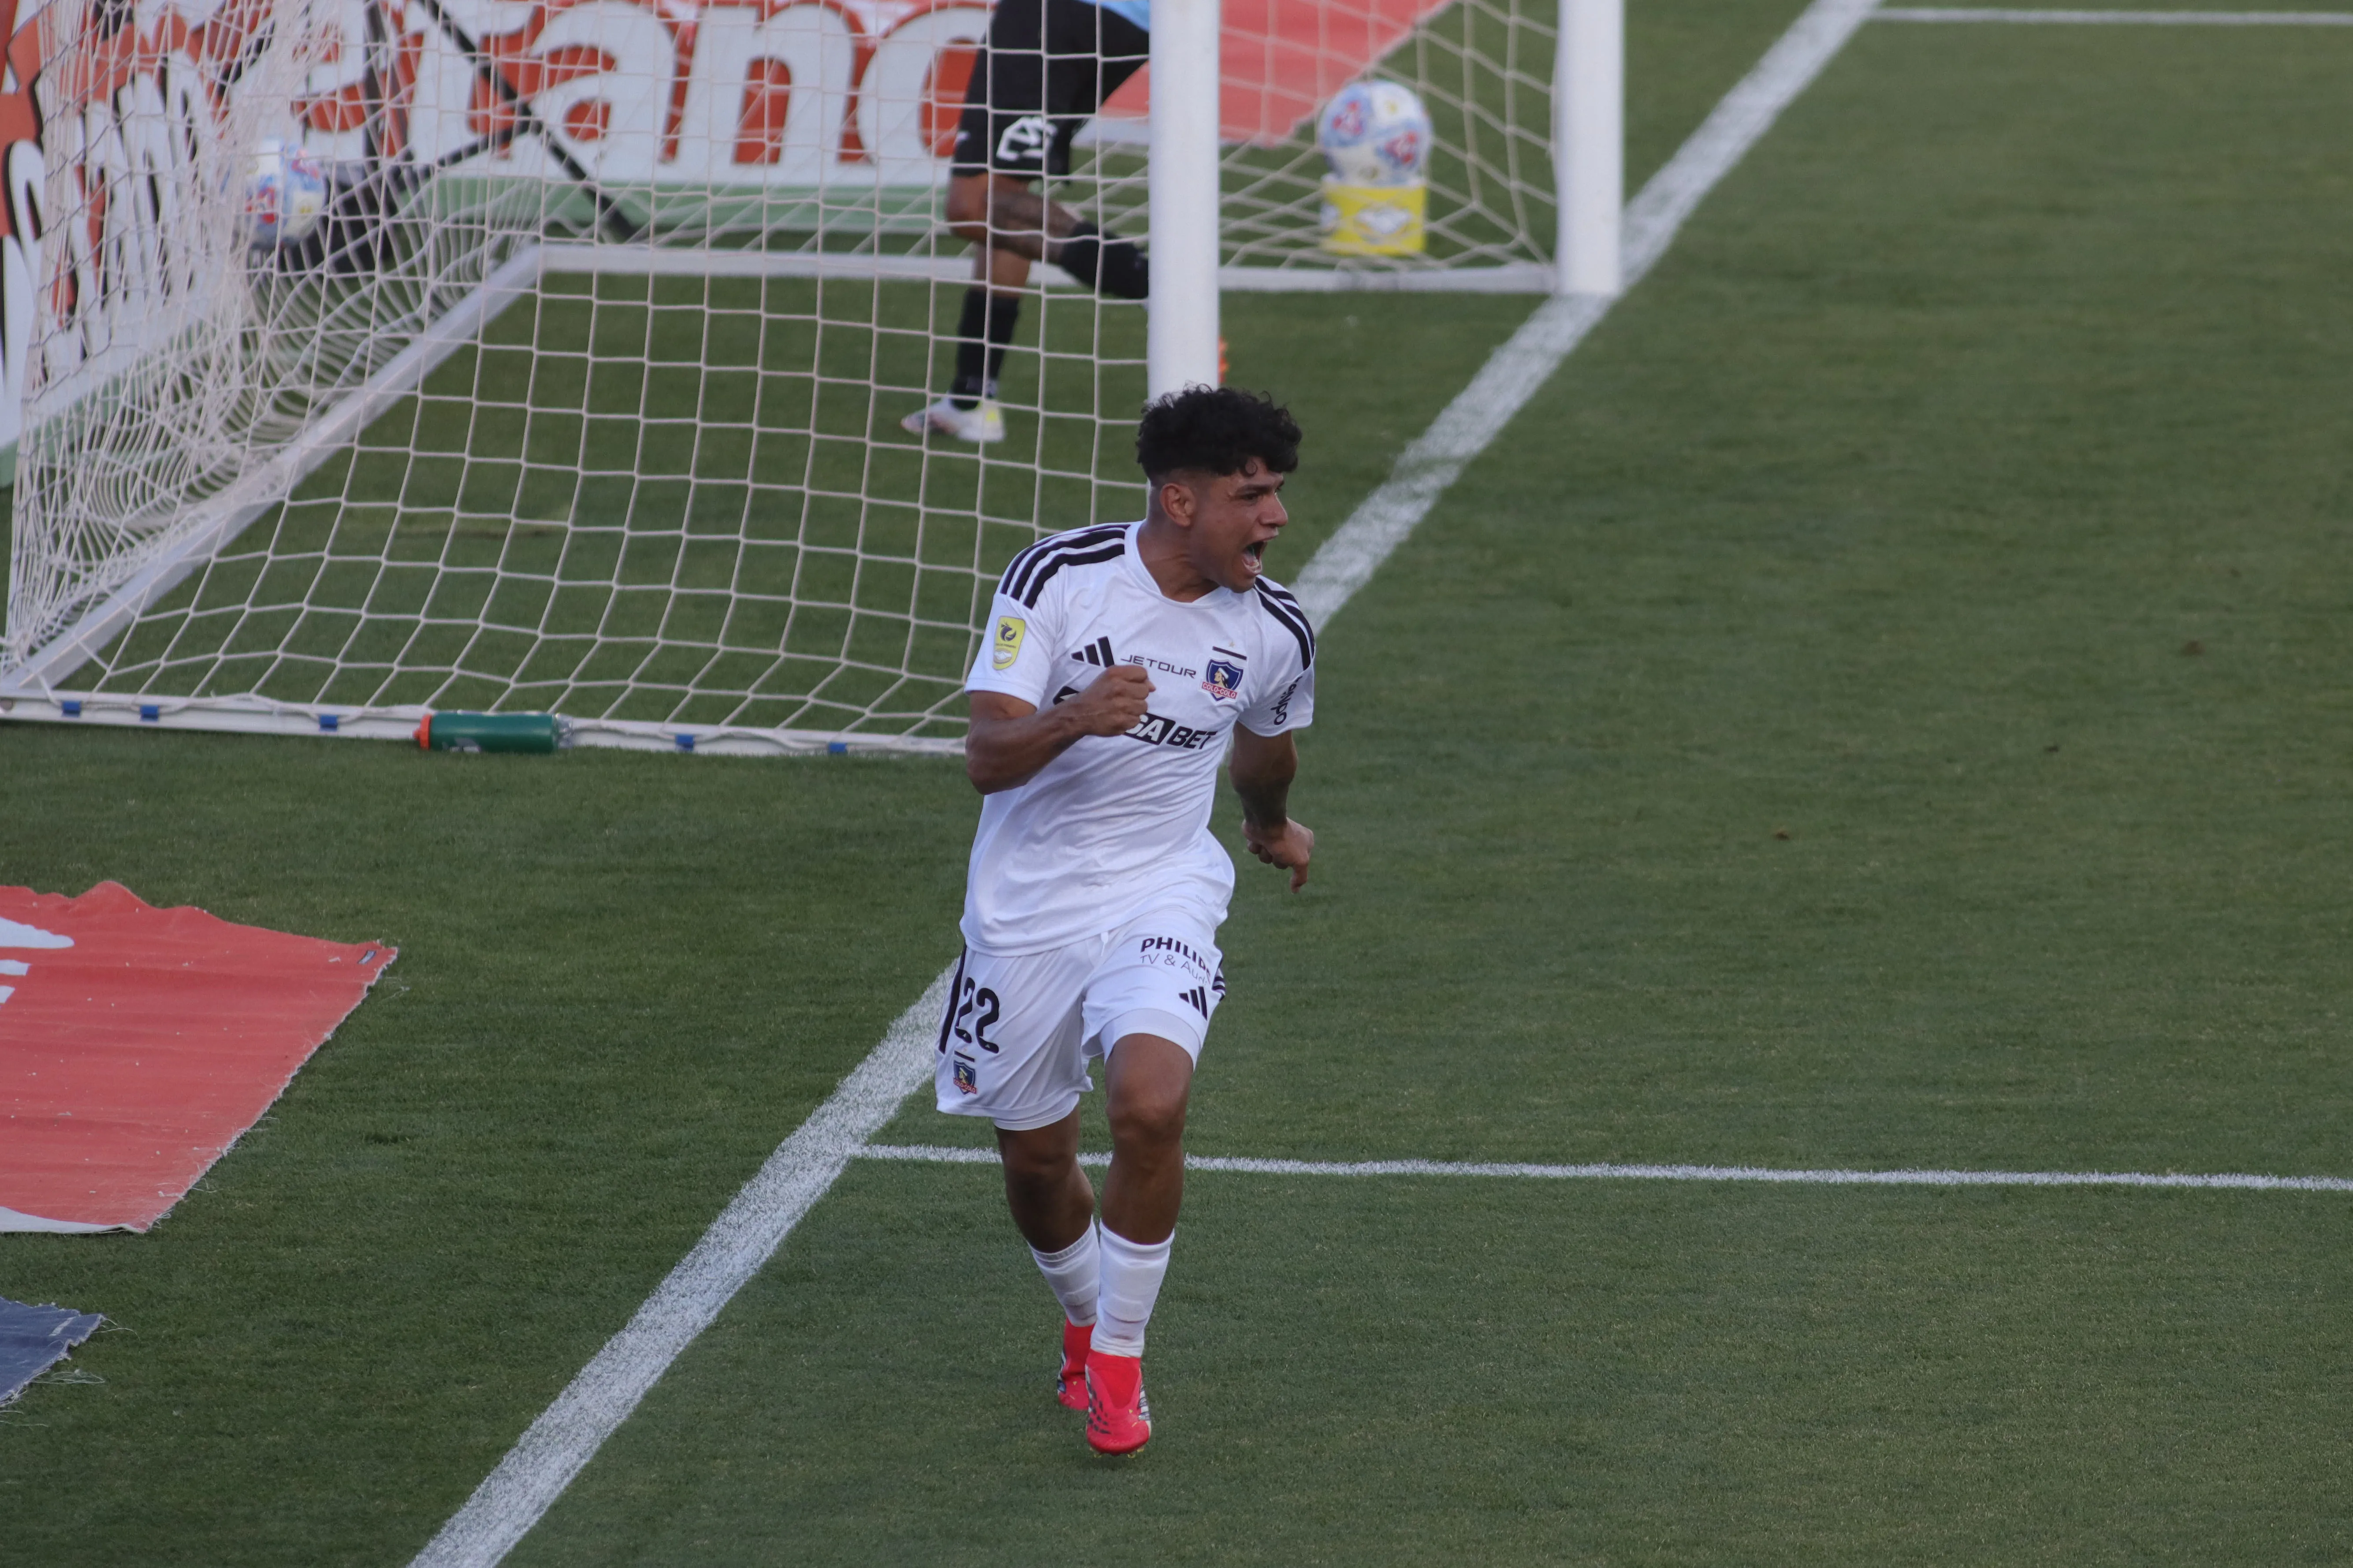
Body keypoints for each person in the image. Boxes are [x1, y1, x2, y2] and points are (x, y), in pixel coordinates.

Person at [939, 386, 1317, 1454]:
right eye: (1252, 496)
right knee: (1034, 1159)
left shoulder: (1274, 629)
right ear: (1180, 500)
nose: (1276, 517)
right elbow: (985, 759)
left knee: (1149, 1106)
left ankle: (1117, 1362)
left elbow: (1264, 749)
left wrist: (1270, 827)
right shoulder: (1055, 579)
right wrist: (1076, 716)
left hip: (1165, 888)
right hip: (1027, 907)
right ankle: (1078, 1323)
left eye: (1277, 494)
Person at [901, 0, 1154, 444]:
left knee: (974, 205)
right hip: (1130, 24)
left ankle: (1151, 283)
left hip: (1052, 15)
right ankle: (971, 399)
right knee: (1008, 195)